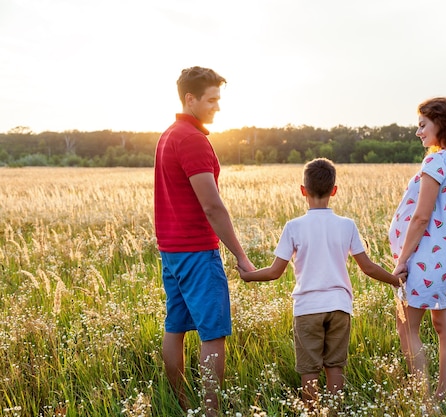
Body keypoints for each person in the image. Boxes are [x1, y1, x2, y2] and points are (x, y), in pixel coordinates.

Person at [237, 158, 406, 407]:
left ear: (303, 191)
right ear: (334, 190)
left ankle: (313, 411)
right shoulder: (347, 225)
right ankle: (334, 412)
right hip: (339, 307)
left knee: (309, 369)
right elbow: (367, 267)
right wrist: (395, 280)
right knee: (335, 365)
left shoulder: (293, 227)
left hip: (307, 309)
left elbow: (275, 272)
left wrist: (247, 275)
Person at [154, 66, 255, 416]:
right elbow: (212, 206)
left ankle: (181, 404)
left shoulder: (169, 134)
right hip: (197, 249)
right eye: (211, 100)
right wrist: (241, 256)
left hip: (171, 250)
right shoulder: (193, 140)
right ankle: (211, 411)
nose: (217, 107)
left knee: (176, 326)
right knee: (213, 333)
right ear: (190, 99)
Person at [388, 97, 446, 402]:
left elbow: (421, 216)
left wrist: (402, 260)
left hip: (425, 260)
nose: (418, 132)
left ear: (440, 123)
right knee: (445, 327)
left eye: (422, 125)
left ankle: (423, 396)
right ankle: (443, 394)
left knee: (407, 327)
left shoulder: (436, 160)